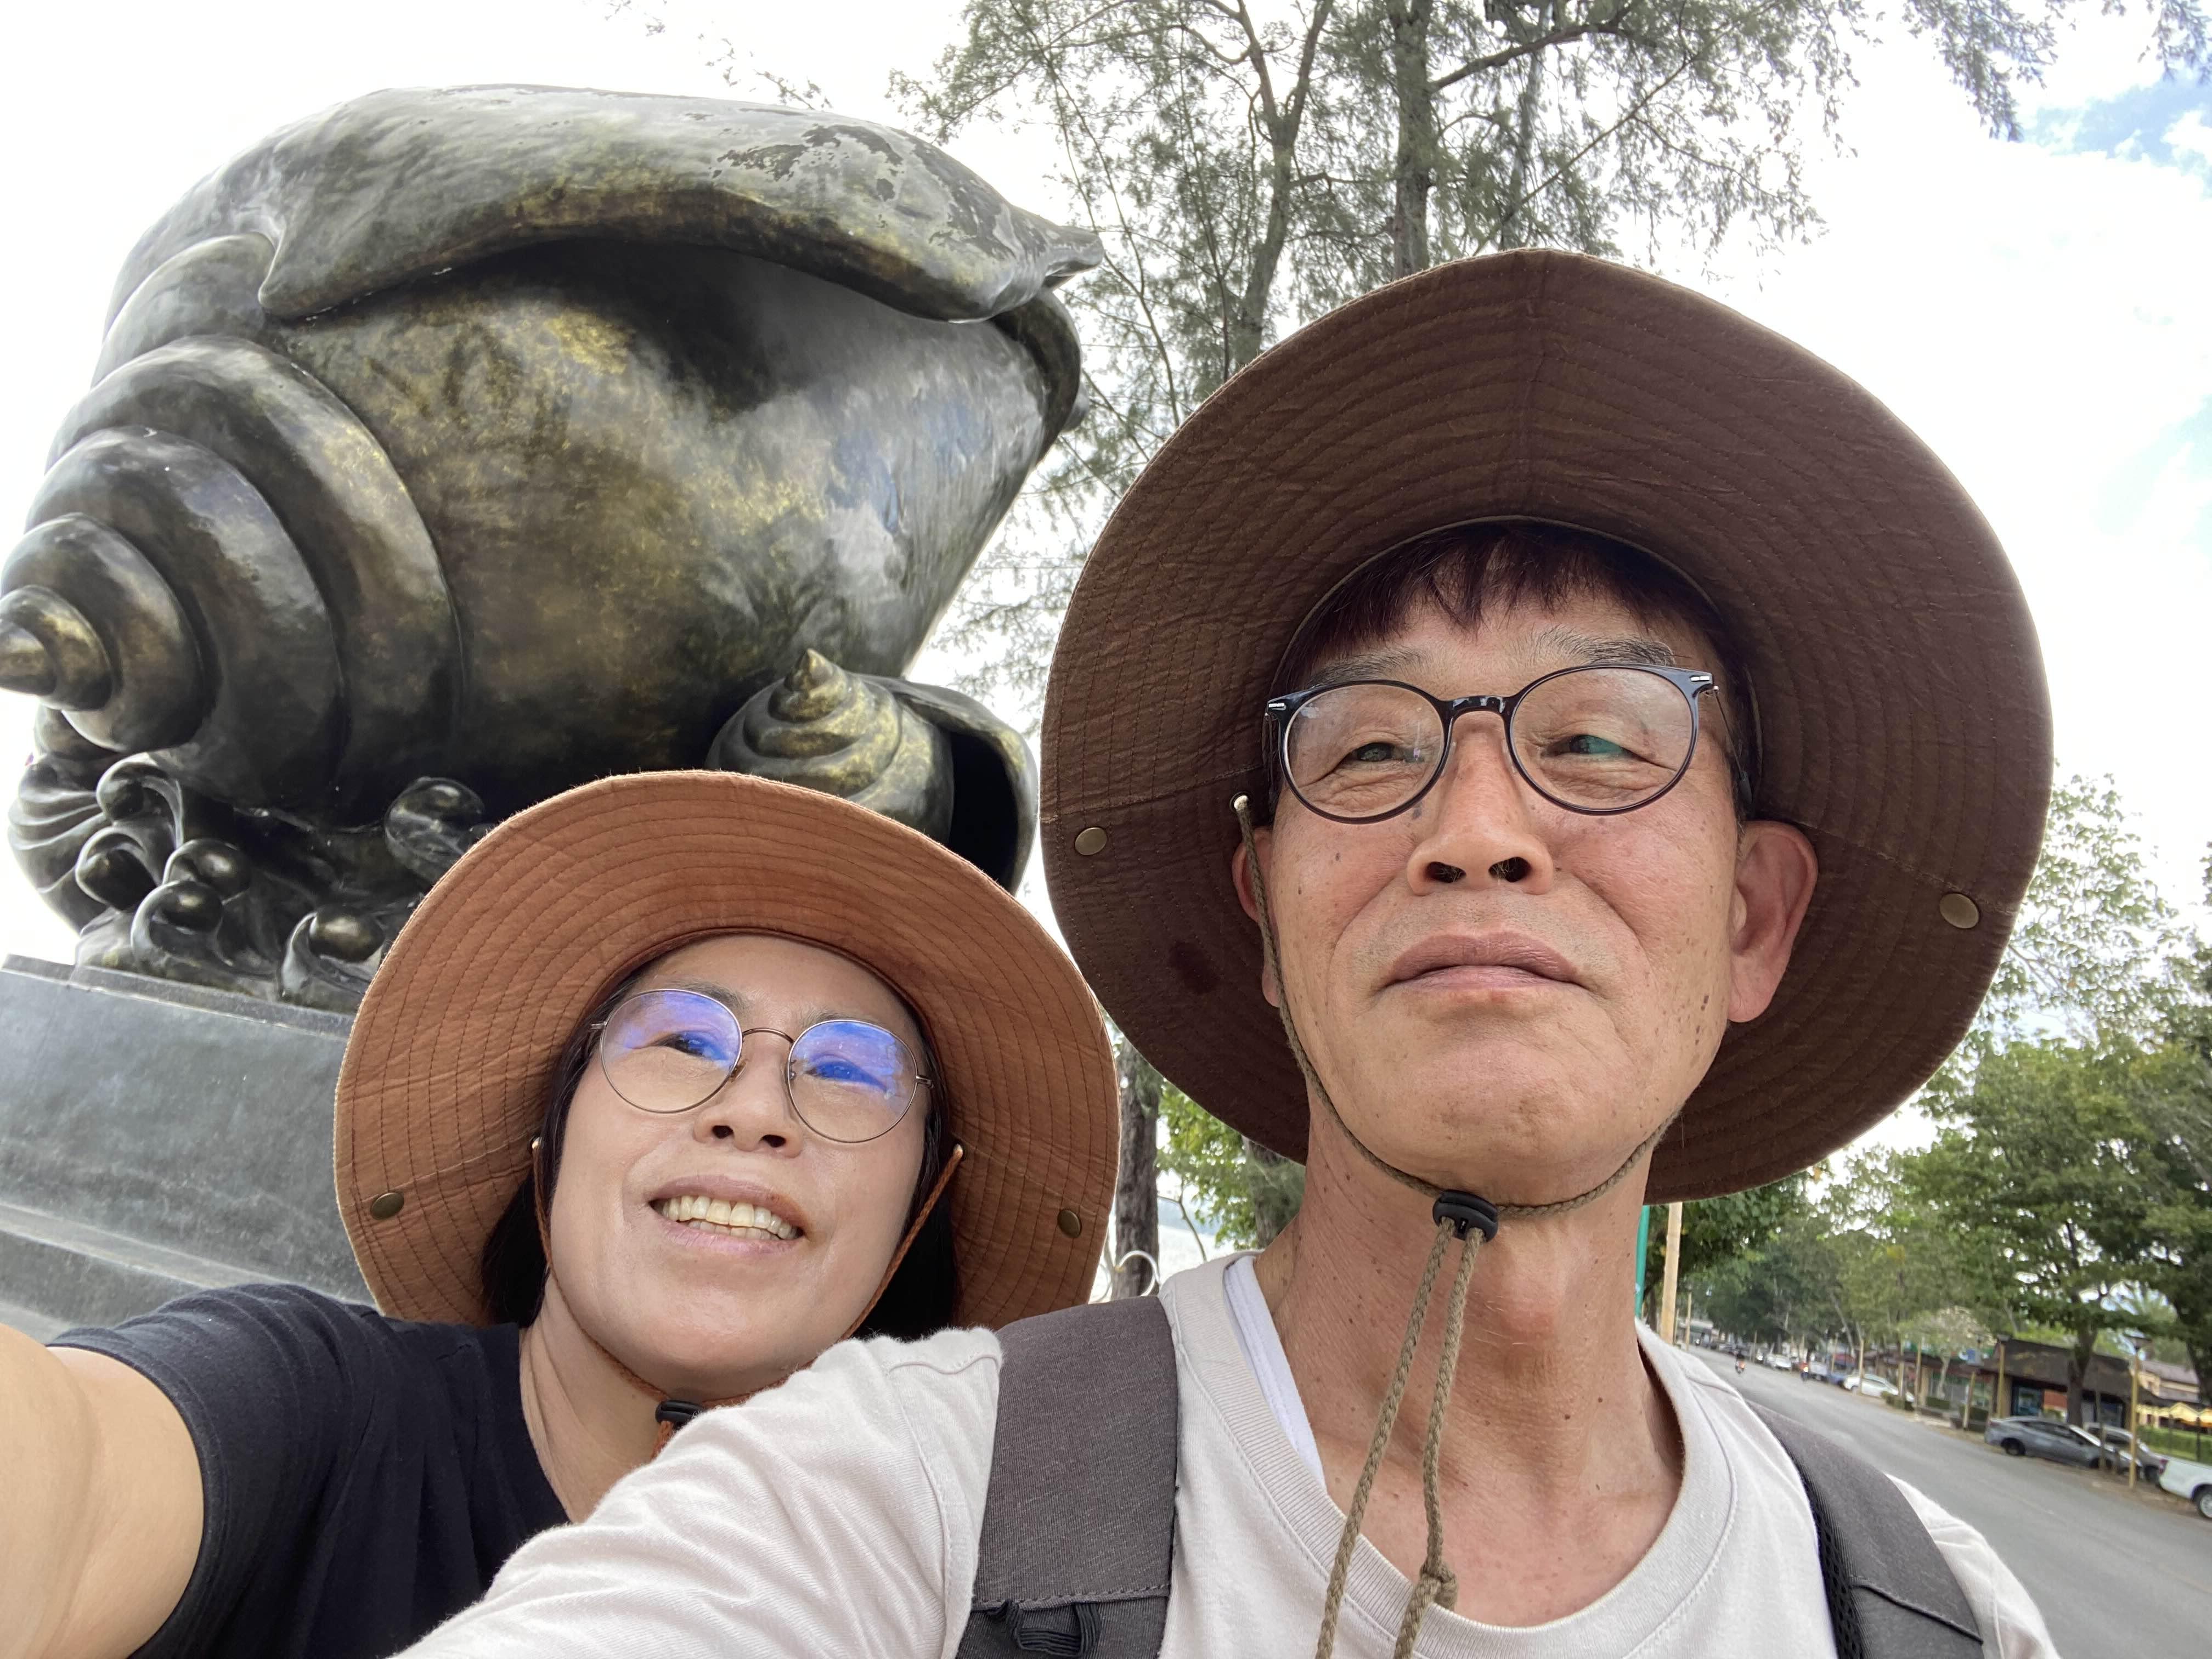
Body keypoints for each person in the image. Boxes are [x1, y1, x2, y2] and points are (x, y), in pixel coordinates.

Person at [391, 252, 2057, 1657]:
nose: (1480, 826)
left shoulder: (1924, 1611)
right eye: (1368, 749)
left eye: (1606, 742)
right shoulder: (905, 1493)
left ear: (1754, 918)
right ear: (1264, 912)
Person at [3, 770, 1116, 1659]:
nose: (754, 1108)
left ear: (920, 1207)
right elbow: (72, 1477)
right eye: (681, 1040)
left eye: (849, 1070)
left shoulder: (982, 1602)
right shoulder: (315, 1417)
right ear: (551, 1140)